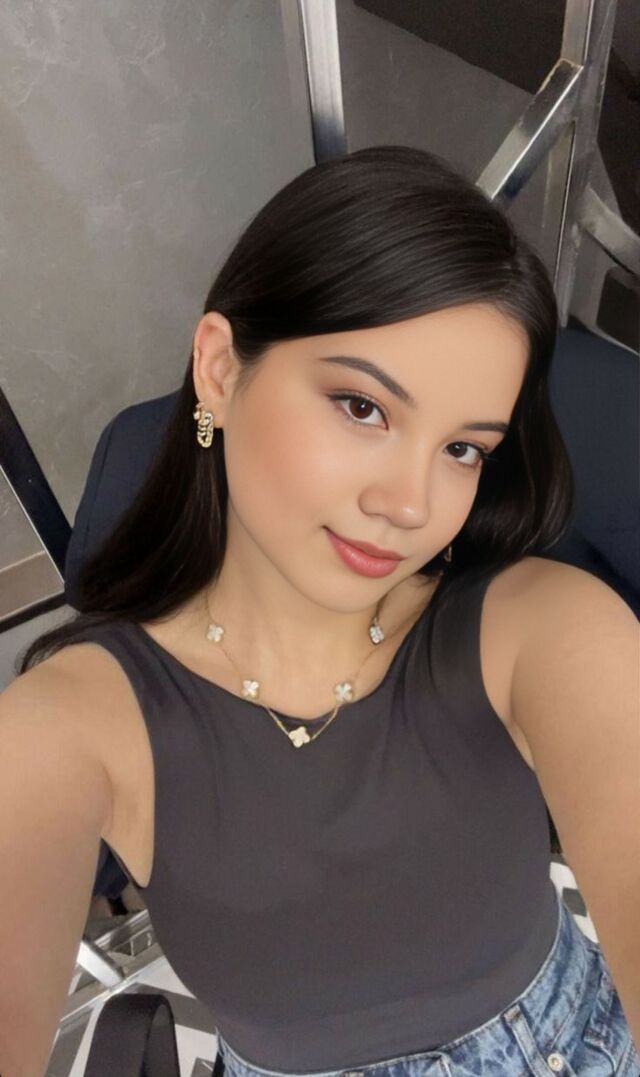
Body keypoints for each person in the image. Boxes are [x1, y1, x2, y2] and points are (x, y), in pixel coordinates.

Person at [1, 145, 638, 1077]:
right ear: (220, 369)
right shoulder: (71, 724)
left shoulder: (539, 626)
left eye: (463, 448)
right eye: (363, 406)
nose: (411, 503)